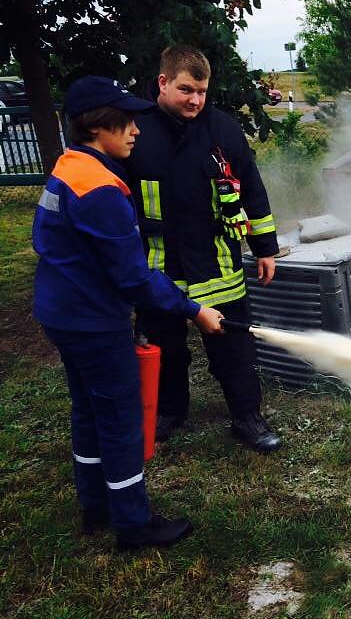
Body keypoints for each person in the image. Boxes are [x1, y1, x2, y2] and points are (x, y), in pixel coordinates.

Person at [33, 75, 225, 549]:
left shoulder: (68, 167)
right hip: (92, 320)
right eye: (127, 122)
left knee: (89, 410)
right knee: (119, 419)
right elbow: (134, 277)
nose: (136, 130)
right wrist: (193, 309)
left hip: (63, 312)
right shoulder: (101, 189)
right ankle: (134, 524)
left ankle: (95, 506)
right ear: (100, 125)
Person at [124, 45, 283, 453]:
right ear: (162, 82)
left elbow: (251, 187)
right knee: (165, 348)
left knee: (235, 348)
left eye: (202, 91)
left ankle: (247, 417)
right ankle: (169, 411)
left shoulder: (223, 129)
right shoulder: (135, 130)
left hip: (219, 263)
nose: (195, 100)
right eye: (186, 89)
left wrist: (265, 247)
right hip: (161, 267)